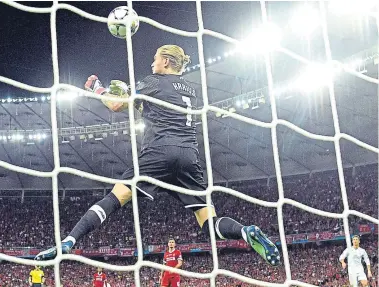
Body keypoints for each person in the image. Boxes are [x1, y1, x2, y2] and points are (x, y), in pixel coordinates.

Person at [35, 44, 281, 267]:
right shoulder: (190, 90)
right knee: (209, 223)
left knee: (114, 198)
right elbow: (154, 106)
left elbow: (115, 105)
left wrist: (98, 87)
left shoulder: (153, 81)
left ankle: (68, 242)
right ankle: (245, 231)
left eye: (155, 59)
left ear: (165, 61)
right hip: (188, 157)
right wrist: (134, 97)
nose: (152, 63)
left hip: (159, 152)